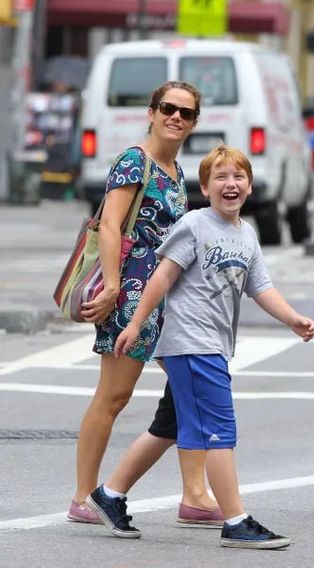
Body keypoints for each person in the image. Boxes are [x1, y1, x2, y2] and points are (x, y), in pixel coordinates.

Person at [89, 144, 314, 549]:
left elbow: (260, 287)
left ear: (249, 185)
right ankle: (236, 521)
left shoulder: (246, 233)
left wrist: (293, 318)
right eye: (221, 178)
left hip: (212, 343)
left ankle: (110, 494)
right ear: (206, 186)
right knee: (219, 431)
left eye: (238, 177)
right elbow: (161, 278)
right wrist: (137, 324)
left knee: (168, 426)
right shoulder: (195, 225)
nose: (231, 184)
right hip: (191, 343)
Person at [69, 81, 221, 526]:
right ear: (152, 112)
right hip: (130, 294)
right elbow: (112, 225)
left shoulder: (174, 171)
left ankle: (195, 493)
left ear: (194, 123)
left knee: (189, 387)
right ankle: (83, 496)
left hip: (167, 298)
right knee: (114, 396)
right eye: (168, 108)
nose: (176, 117)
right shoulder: (134, 161)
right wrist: (113, 287)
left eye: (186, 113)